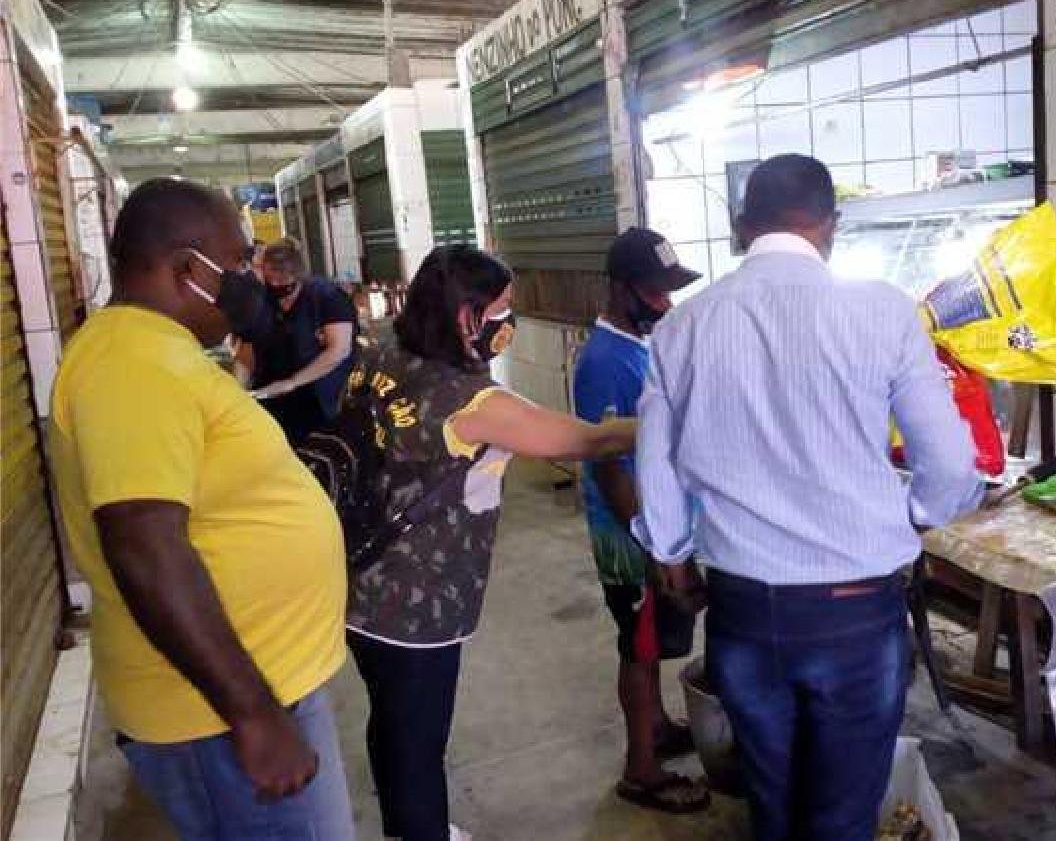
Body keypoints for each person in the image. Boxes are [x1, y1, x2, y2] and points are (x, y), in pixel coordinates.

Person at [633, 154, 983, 841]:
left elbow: (657, 465)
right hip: (854, 614)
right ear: (832, 226)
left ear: (740, 229)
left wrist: (671, 553)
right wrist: (911, 514)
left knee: (773, 804)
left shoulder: (682, 328)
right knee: (843, 815)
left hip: (741, 613)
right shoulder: (882, 312)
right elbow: (948, 465)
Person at [48, 178, 354, 840]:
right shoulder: (131, 364)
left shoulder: (152, 352)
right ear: (187, 270)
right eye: (239, 262)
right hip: (217, 712)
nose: (250, 277)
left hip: (239, 694)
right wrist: (252, 714)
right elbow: (142, 543)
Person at [345, 245, 636, 841]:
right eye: (503, 310)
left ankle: (409, 824)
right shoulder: (473, 403)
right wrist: (670, 415)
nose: (510, 323)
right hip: (415, 599)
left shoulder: (380, 352)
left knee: (393, 722)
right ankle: (420, 830)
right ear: (464, 314)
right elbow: (587, 441)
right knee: (419, 739)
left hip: (358, 575)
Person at [571, 228, 710, 813]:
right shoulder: (602, 359)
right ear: (620, 288)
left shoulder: (637, 344)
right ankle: (642, 771)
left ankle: (655, 726)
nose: (666, 303)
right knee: (640, 647)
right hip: (631, 533)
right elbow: (607, 464)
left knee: (651, 642)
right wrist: (653, 546)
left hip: (655, 526)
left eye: (669, 291)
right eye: (655, 292)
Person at [240, 238, 358, 444]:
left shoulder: (326, 297)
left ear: (298, 276)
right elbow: (248, 347)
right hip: (271, 396)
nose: (276, 286)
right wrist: (238, 389)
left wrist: (292, 382)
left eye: (283, 282)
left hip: (322, 399)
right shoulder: (261, 299)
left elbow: (339, 350)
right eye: (271, 280)